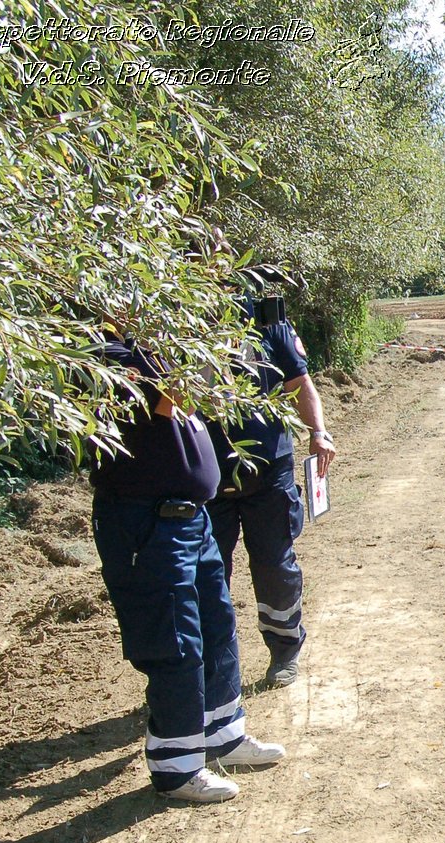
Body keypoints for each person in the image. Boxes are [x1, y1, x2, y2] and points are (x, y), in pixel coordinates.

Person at [90, 333, 288, 803]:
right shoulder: (104, 351)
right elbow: (168, 399)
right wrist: (213, 351)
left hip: (189, 517)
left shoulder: (153, 337)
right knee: (175, 642)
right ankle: (176, 769)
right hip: (147, 523)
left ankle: (223, 736)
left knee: (217, 626)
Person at [206, 289, 335, 689]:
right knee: (207, 575)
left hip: (268, 470)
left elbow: (298, 381)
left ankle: (284, 653)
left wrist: (319, 432)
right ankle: (212, 671)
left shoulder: (264, 317)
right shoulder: (180, 321)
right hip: (208, 475)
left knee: (275, 567)